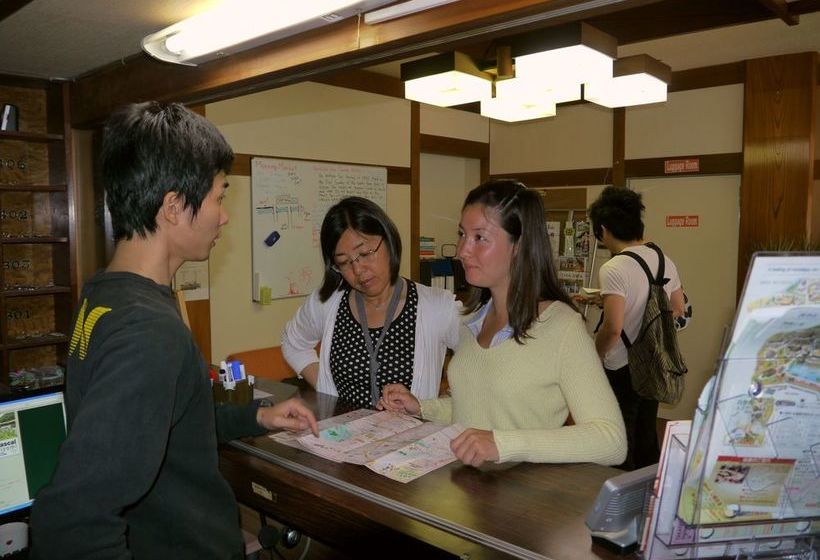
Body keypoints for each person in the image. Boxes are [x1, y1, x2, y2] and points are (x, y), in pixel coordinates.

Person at [30, 102, 318, 560]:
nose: (223, 216)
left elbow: (160, 419)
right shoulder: (148, 331)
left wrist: (255, 416)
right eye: (219, 196)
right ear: (173, 207)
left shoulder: (105, 297)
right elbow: (71, 523)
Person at [380, 179, 626, 468]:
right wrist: (422, 407)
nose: (462, 250)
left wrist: (502, 444)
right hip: (468, 493)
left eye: (479, 238)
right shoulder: (472, 320)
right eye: (461, 234)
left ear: (518, 246)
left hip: (520, 500)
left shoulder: (562, 327)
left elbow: (611, 441)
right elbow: (478, 410)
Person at [282, 196, 461, 408]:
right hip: (343, 438)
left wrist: (442, 406)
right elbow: (293, 343)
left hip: (408, 439)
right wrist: (325, 388)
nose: (358, 270)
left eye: (365, 254)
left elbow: (482, 365)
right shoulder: (328, 303)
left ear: (388, 240)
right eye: (344, 262)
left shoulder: (437, 307)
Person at [584, 185, 685, 471]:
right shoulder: (664, 259)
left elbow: (614, 328)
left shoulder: (614, 268)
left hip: (620, 365)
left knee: (618, 437)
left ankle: (617, 500)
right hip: (653, 359)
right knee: (646, 435)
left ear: (603, 230)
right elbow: (678, 308)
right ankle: (650, 496)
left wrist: (594, 355)